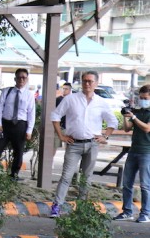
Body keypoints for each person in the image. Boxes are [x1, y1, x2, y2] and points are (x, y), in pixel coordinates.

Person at [49, 70, 118, 217]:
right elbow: (55, 115)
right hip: (74, 143)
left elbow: (113, 122)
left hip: (92, 144)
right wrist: (61, 135)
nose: (87, 84)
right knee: (66, 176)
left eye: (90, 81)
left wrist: (105, 135)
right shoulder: (71, 99)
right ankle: (56, 206)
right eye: (85, 81)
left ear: (96, 83)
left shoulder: (101, 102)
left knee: (86, 178)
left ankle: (81, 207)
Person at [0, 68, 36, 180]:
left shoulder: (29, 95)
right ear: (15, 78)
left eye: (24, 77)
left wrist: (29, 131)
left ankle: (14, 175)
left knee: (19, 151)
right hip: (5, 125)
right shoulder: (7, 91)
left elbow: (31, 113)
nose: (21, 79)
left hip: (20, 126)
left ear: (27, 79)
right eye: (19, 77)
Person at [112, 85, 150, 223]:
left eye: (145, 98)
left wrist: (133, 117)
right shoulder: (139, 112)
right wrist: (126, 115)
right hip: (133, 150)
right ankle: (127, 211)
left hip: (147, 152)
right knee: (127, 183)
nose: (143, 100)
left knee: (145, 185)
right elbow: (127, 129)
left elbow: (146, 128)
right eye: (141, 98)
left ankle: (145, 213)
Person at [54, 82, 72, 149]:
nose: (64, 90)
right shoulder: (58, 99)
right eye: (63, 89)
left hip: (68, 127)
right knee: (54, 146)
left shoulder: (72, 100)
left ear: (70, 90)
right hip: (59, 126)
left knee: (69, 147)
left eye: (66, 89)